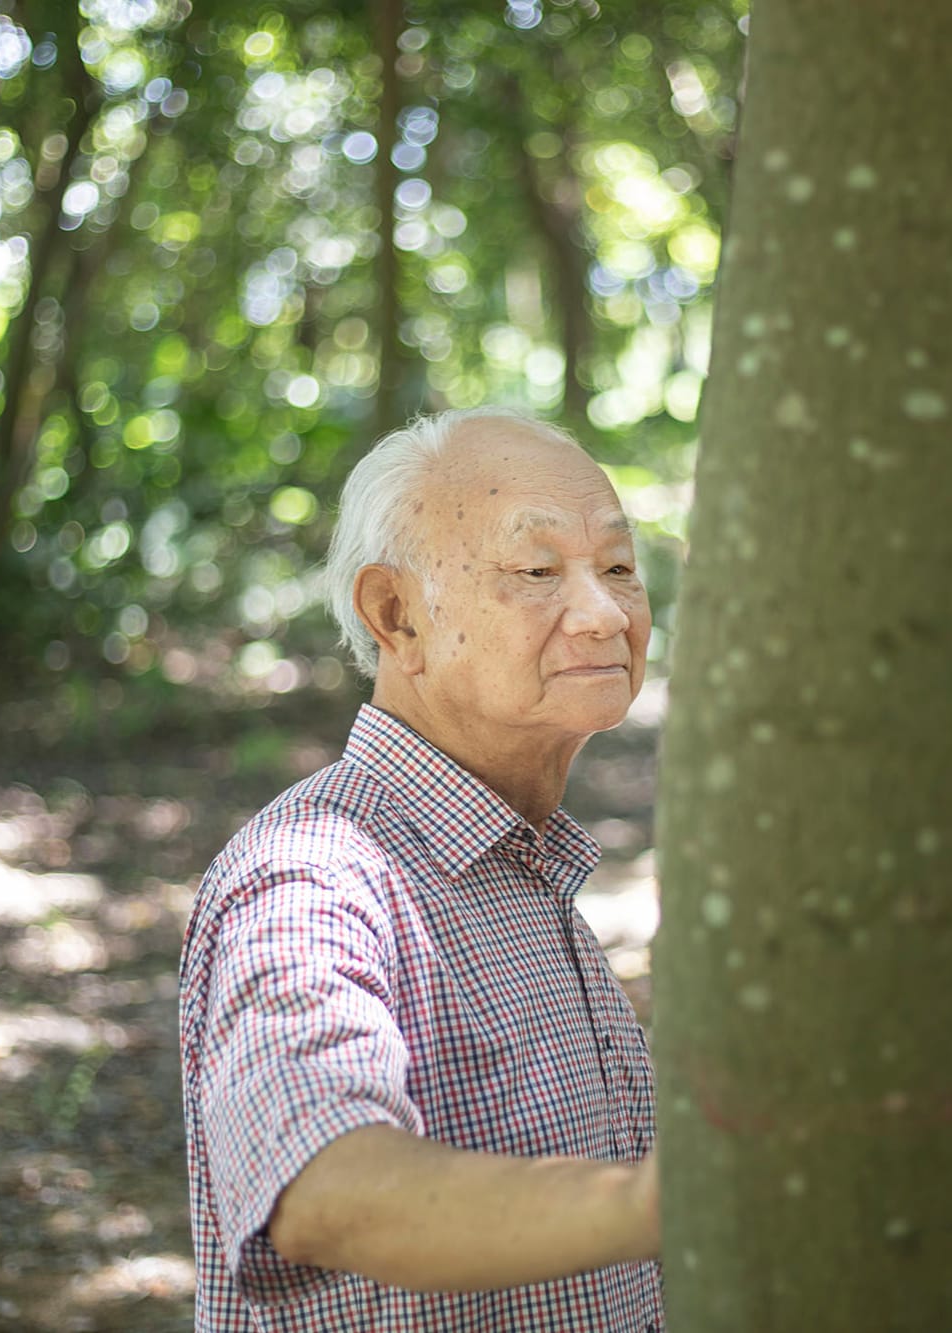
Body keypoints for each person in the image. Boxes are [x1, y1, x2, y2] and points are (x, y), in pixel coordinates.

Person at [179, 406, 664, 1332]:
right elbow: (325, 1187)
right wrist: (677, 1202)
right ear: (396, 615)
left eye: (617, 567)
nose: (604, 611)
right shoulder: (313, 873)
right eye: (536, 571)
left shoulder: (524, 857)